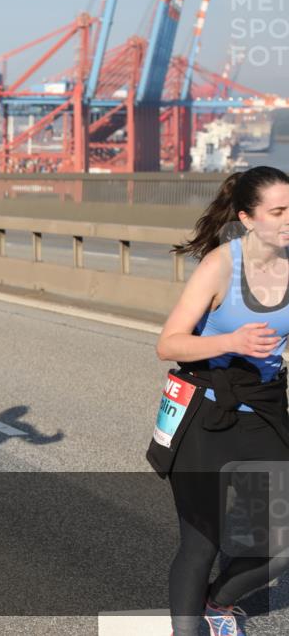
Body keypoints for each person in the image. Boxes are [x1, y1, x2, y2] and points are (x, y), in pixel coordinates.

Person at [154, 166, 289, 636]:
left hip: (263, 414)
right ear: (248, 218)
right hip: (207, 413)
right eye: (279, 211)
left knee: (278, 545)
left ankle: (219, 602)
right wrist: (230, 340)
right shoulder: (220, 266)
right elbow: (169, 344)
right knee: (201, 545)